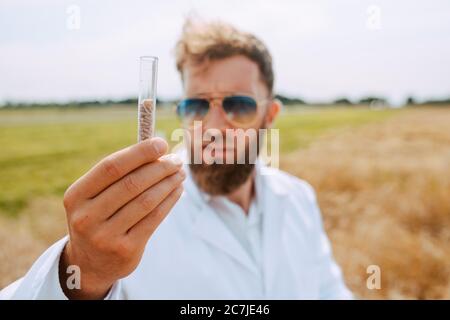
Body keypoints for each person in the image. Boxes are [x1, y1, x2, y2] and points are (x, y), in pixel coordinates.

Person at [0, 19, 352, 300]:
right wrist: (82, 271)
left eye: (238, 105)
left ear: (270, 114)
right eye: (198, 106)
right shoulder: (139, 213)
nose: (213, 127)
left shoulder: (299, 199)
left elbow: (329, 291)